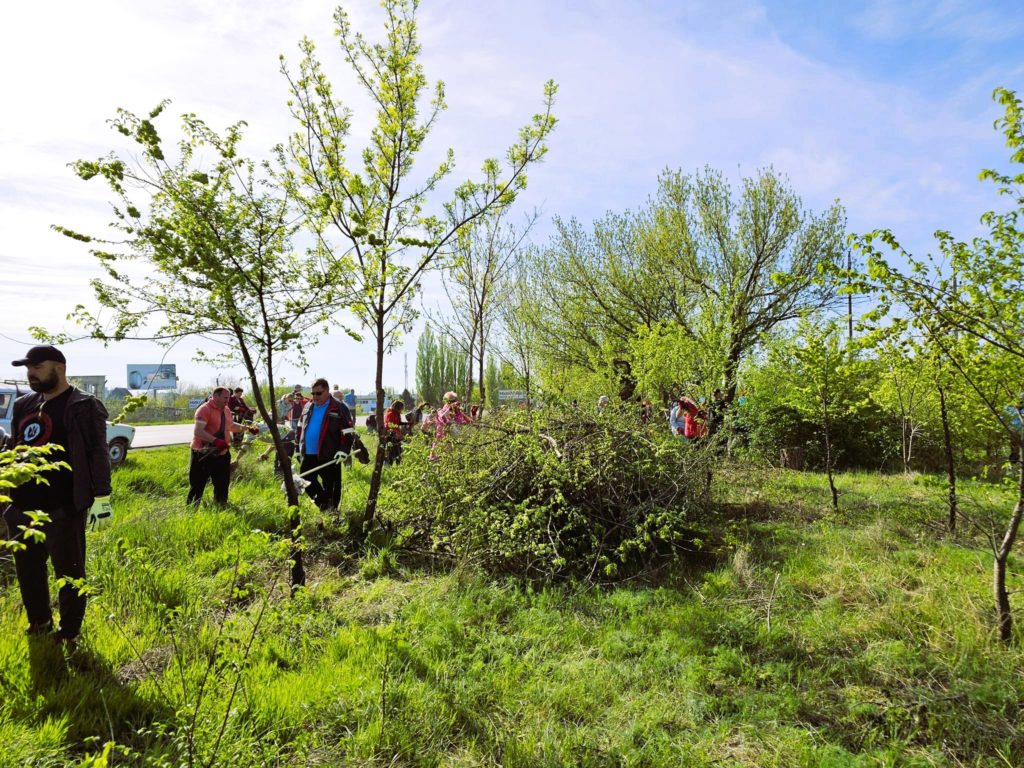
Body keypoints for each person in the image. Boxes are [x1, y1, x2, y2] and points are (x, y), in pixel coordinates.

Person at [4, 345, 112, 646]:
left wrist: (102, 495)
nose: (30, 373)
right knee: (28, 572)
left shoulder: (82, 405)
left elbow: (98, 452)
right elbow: (15, 447)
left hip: (63, 507)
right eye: (27, 368)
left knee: (70, 574)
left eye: (37, 367)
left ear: (59, 368)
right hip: (22, 506)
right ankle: (39, 622)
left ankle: (69, 633)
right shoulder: (25, 404)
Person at [296, 378, 354, 511]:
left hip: (329, 454)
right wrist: (297, 449)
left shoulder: (339, 407)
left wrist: (344, 450)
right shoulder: (307, 406)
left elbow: (348, 431)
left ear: (327, 391)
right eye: (313, 393)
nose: (315, 396)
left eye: (319, 393)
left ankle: (332, 512)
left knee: (332, 486)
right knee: (305, 480)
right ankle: (324, 505)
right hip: (309, 453)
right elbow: (299, 428)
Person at [188, 387, 251, 506]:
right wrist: (215, 440)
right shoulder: (204, 409)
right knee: (198, 485)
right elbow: (198, 431)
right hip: (203, 453)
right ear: (215, 396)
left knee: (222, 483)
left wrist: (247, 428)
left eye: (229, 397)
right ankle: (192, 509)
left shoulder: (226, 410)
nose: (228, 400)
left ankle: (220, 506)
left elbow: (231, 426)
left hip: (222, 453)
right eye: (225, 397)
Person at [431, 391, 471, 460]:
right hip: (442, 439)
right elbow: (443, 418)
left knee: (450, 455)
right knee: (439, 456)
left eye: (455, 400)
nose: (454, 403)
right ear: (447, 402)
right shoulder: (442, 411)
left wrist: (466, 420)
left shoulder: (457, 411)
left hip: (451, 440)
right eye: (451, 401)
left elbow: (466, 421)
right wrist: (449, 409)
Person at [383, 399, 406, 465]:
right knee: (392, 453)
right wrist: (397, 431)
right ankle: (389, 467)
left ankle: (398, 467)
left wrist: (406, 423)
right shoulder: (391, 413)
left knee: (399, 453)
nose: (402, 410)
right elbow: (389, 424)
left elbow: (398, 423)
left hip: (397, 435)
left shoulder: (397, 414)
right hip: (391, 436)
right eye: (401, 408)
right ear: (398, 407)